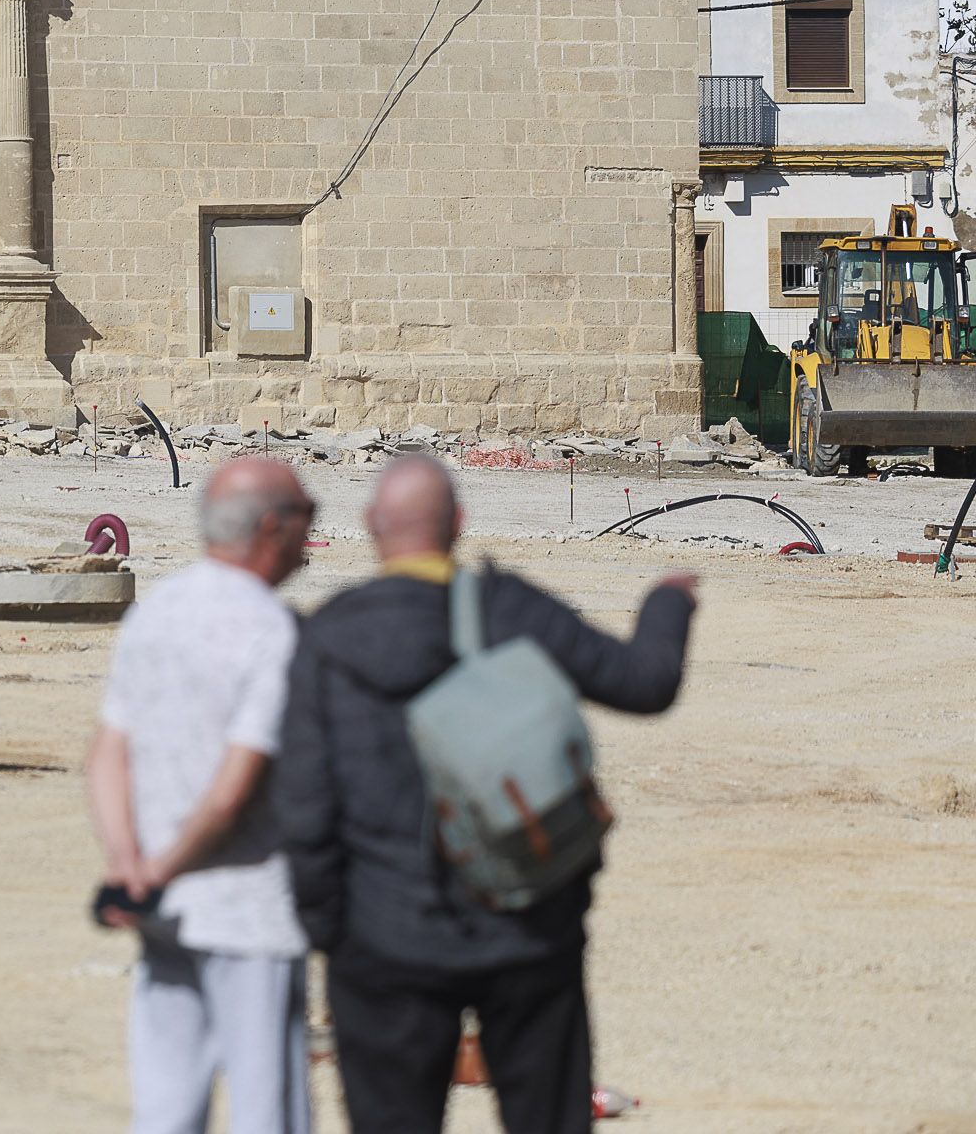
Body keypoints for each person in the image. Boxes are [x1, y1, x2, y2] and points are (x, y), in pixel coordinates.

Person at [276, 454, 696, 1134]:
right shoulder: (509, 608)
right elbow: (644, 683)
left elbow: (303, 806)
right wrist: (668, 602)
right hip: (528, 928)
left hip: (385, 941)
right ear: (460, 525)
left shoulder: (328, 636)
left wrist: (335, 934)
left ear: (372, 527)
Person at [87, 455, 317, 1134]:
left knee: (165, 1108)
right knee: (266, 1112)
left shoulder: (156, 612)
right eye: (308, 519)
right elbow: (229, 794)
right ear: (272, 528)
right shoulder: (273, 633)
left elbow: (106, 754)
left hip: (163, 910)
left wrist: (129, 864)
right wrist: (163, 866)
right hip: (247, 913)